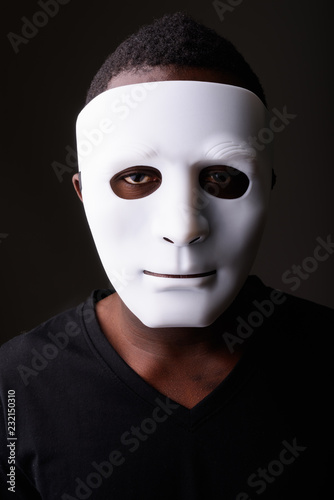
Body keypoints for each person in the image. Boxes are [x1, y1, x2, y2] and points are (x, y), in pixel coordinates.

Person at [0, 12, 332, 499]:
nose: (183, 229)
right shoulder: (13, 391)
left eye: (221, 177)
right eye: (137, 177)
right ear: (84, 193)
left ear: (267, 189)